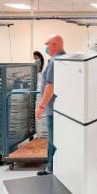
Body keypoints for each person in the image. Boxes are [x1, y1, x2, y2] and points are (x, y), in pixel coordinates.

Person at [35, 34, 65, 176]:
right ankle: (54, 166)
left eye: (48, 44)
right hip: (58, 107)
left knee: (53, 140)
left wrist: (41, 106)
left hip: (52, 108)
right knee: (57, 139)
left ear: (55, 44)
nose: (46, 47)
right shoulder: (62, 59)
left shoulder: (55, 61)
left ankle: (51, 168)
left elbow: (50, 86)